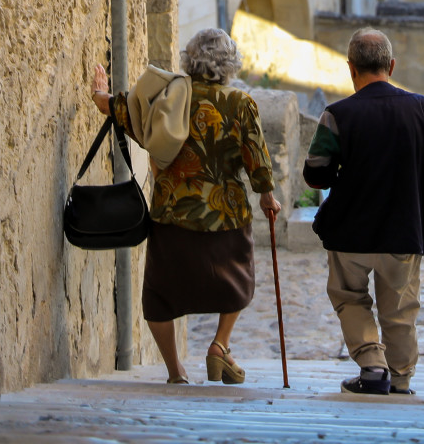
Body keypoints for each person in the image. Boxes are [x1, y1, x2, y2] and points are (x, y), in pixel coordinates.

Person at [91, 28, 281, 385]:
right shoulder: (241, 103)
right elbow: (256, 158)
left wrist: (102, 95)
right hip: (225, 213)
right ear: (230, 64)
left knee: (159, 297)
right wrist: (267, 196)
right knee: (238, 282)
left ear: (190, 59)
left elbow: (129, 115)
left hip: (172, 212)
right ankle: (219, 346)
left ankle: (176, 372)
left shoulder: (170, 96)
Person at [303, 27, 424, 396]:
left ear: (351, 69)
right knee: (400, 310)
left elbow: (316, 175)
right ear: (392, 65)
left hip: (350, 230)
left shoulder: (336, 115)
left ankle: (372, 364)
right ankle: (400, 381)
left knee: (348, 296)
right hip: (404, 229)